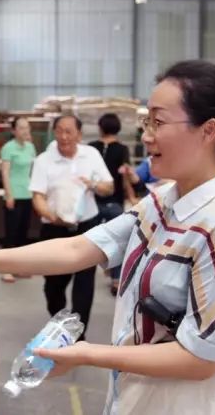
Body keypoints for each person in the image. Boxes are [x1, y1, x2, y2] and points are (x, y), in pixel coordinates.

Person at [0, 60, 215, 415]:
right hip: (136, 398)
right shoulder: (163, 203)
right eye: (146, 122)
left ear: (208, 131)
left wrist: (88, 354)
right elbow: (79, 248)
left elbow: (201, 359)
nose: (146, 135)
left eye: (159, 122)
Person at [28, 114, 114, 341]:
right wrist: (52, 216)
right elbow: (38, 197)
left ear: (79, 134)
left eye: (69, 131)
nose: (64, 136)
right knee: (53, 285)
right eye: (59, 131)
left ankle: (77, 335)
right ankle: (60, 325)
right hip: (55, 229)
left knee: (84, 283)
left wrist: (93, 184)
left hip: (87, 227)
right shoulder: (44, 160)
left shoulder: (91, 155)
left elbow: (108, 186)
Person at [89, 113, 137, 295]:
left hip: (92, 201)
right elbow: (124, 176)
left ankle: (85, 272)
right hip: (114, 200)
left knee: (90, 239)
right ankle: (116, 280)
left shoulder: (92, 147)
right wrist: (131, 196)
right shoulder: (122, 149)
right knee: (117, 240)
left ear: (100, 127)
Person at [0, 117, 37, 283]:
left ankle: (20, 268)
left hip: (28, 194)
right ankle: (6, 270)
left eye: (27, 128)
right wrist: (9, 194)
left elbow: (33, 170)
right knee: (11, 234)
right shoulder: (8, 148)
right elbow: (5, 172)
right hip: (13, 194)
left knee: (23, 234)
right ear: (13, 131)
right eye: (21, 128)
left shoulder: (30, 147)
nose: (25, 131)